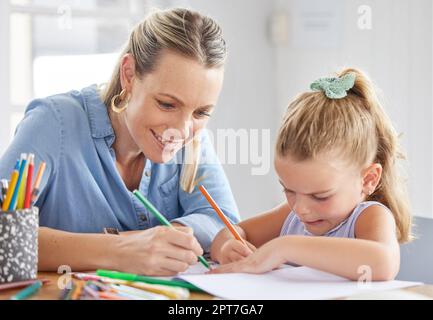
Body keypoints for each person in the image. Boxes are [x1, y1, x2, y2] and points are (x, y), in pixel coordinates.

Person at [0, 8, 239, 276]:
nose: (181, 130)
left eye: (201, 112)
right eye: (167, 104)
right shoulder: (54, 123)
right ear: (129, 74)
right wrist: (121, 249)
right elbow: (2, 235)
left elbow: (222, 221)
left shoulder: (192, 140)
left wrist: (173, 237)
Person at [210, 68, 412, 281]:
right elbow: (230, 234)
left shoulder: (368, 217)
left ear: (368, 179)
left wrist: (285, 247)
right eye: (289, 190)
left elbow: (383, 264)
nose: (301, 209)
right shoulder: (291, 215)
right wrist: (226, 248)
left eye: (320, 196)